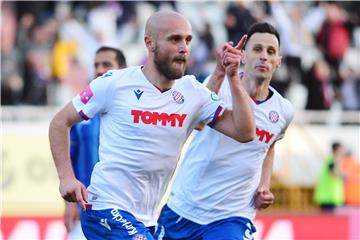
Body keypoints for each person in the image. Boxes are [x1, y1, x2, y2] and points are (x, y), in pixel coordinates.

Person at [49, 11, 255, 240]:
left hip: (146, 218)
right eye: (174, 39)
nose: (184, 47)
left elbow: (245, 132)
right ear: (150, 43)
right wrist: (66, 177)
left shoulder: (193, 92)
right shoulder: (114, 84)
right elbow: (60, 122)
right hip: (105, 208)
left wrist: (233, 77)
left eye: (188, 40)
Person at [154, 22, 294, 240]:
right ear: (244, 55)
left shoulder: (283, 111)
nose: (264, 57)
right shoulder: (221, 85)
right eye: (257, 50)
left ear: (278, 62)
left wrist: (264, 186)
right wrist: (220, 73)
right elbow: (197, 121)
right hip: (186, 206)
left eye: (271, 52)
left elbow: (269, 147)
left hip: (233, 216)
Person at [64, 46, 127, 239]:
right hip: (87, 208)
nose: (99, 70)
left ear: (123, 69)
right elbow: (71, 159)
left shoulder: (134, 112)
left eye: (106, 64)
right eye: (96, 65)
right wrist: (69, 204)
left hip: (124, 209)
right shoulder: (82, 111)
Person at [314, 142, 345, 212]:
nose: (343, 151)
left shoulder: (333, 160)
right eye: (342, 149)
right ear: (337, 149)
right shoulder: (332, 160)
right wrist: (344, 176)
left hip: (331, 197)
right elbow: (333, 173)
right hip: (328, 197)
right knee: (329, 220)